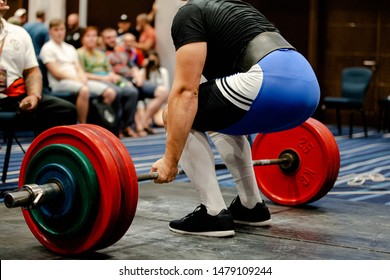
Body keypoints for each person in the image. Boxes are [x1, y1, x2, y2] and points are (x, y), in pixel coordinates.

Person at [151, 0, 320, 237]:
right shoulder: (238, 6)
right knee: (220, 117)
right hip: (308, 88)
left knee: (176, 111)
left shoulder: (189, 13)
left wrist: (170, 160)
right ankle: (252, 206)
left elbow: (186, 92)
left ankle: (213, 214)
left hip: (269, 81)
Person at [0, 1, 77, 135]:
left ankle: (43, 153)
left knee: (65, 110)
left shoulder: (19, 33)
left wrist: (33, 95)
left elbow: (32, 71)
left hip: (14, 97)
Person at [40, 18, 117, 124]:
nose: (59, 32)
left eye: (62, 29)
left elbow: (78, 67)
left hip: (77, 80)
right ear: (50, 31)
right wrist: (77, 79)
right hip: (59, 83)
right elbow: (56, 73)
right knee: (84, 90)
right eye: (56, 30)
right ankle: (82, 124)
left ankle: (101, 122)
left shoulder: (70, 48)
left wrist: (82, 77)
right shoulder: (47, 48)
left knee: (110, 92)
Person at [101, 27, 168, 135]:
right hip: (119, 82)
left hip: (134, 81)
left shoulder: (122, 53)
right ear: (103, 39)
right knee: (132, 91)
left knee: (162, 92)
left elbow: (134, 67)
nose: (112, 40)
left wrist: (138, 76)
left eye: (114, 37)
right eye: (108, 38)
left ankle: (144, 121)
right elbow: (106, 72)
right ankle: (129, 127)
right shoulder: (101, 54)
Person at [77, 26, 139, 137]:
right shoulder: (79, 53)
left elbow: (109, 70)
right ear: (83, 39)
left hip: (108, 78)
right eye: (88, 36)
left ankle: (126, 125)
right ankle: (114, 127)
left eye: (94, 36)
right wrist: (104, 78)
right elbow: (82, 73)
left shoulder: (100, 54)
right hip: (95, 79)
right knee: (117, 92)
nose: (92, 39)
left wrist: (116, 77)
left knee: (132, 91)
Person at [139, 50, 170, 127]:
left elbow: (166, 90)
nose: (152, 62)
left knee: (160, 122)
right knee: (146, 123)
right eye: (150, 60)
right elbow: (140, 87)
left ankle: (153, 117)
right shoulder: (142, 71)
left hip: (160, 104)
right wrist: (145, 68)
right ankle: (147, 118)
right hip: (146, 104)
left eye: (154, 60)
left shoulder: (163, 71)